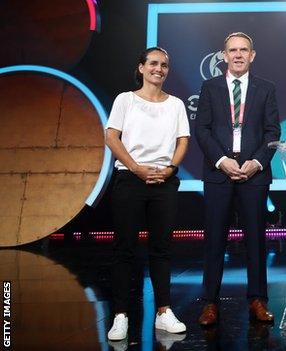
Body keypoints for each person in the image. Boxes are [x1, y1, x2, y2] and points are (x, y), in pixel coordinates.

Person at [195, 32, 280, 326]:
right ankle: (209, 303)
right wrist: (222, 161)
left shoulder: (266, 89)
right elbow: (202, 130)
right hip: (219, 174)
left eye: (244, 50)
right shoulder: (210, 87)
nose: (239, 55)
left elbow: (272, 132)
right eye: (233, 50)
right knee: (214, 240)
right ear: (224, 55)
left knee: (256, 240)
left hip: (253, 175)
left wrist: (256, 163)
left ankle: (258, 299)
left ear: (252, 55)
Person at [105, 47, 189, 341]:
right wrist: (136, 167)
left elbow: (182, 141)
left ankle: (163, 312)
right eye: (153, 63)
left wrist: (170, 169)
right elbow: (111, 137)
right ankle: (120, 316)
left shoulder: (176, 104)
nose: (159, 69)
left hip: (164, 182)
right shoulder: (125, 100)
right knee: (125, 249)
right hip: (130, 179)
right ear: (141, 67)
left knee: (162, 248)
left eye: (164, 65)